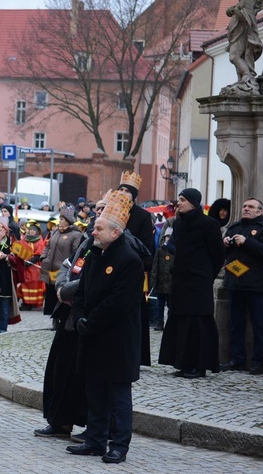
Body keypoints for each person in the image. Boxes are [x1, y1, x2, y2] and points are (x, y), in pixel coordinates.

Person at [68, 190, 143, 463]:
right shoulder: (95, 254)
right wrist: (78, 319)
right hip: (90, 335)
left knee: (118, 396)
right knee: (94, 391)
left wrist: (92, 321)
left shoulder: (129, 260)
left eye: (99, 227)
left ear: (115, 232)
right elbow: (80, 293)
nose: (94, 231)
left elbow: (119, 302)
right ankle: (95, 440)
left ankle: (119, 445)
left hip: (117, 339)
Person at [34, 222, 93, 442]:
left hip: (86, 319)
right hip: (67, 318)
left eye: (102, 209)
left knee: (84, 378)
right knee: (60, 372)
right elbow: (68, 267)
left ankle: (93, 427)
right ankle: (60, 422)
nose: (97, 214)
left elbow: (91, 281)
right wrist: (60, 287)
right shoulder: (88, 242)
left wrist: (66, 290)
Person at [158, 188, 225, 378]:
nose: (179, 203)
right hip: (180, 280)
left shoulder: (208, 223)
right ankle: (184, 362)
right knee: (180, 321)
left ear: (194, 202)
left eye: (183, 200)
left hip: (198, 282)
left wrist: (206, 275)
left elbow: (218, 254)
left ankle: (199, 365)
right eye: (179, 199)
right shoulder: (179, 222)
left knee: (197, 324)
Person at [220, 198, 263, 374]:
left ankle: (257, 362)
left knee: (259, 325)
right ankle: (237, 359)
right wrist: (225, 244)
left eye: (251, 207)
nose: (246, 209)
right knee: (236, 324)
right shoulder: (234, 227)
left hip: (254, 285)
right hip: (235, 283)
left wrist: (247, 242)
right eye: (245, 206)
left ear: (259, 211)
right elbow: (223, 254)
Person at [117, 171, 154, 366]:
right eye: (120, 189)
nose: (123, 193)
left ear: (134, 195)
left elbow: (147, 247)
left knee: (135, 314)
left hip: (133, 269)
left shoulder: (142, 216)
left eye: (127, 190)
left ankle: (136, 356)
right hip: (111, 269)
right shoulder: (111, 210)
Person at [224, 0, 263, 92]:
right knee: (239, 56)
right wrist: (233, 10)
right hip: (239, 31)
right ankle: (241, 79)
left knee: (234, 56)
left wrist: (236, 10)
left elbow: (246, 17)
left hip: (244, 32)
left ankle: (247, 77)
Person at [40, 208, 82, 315]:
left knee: (60, 295)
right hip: (51, 269)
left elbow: (76, 253)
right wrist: (44, 257)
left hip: (62, 271)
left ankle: (58, 320)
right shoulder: (55, 232)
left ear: (68, 221)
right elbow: (47, 246)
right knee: (51, 296)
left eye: (62, 219)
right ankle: (53, 319)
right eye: (60, 218)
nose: (60, 221)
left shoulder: (76, 235)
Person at [149, 227, 174, 331]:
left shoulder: (174, 251)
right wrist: (153, 281)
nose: (168, 239)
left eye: (170, 237)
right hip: (160, 282)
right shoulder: (160, 250)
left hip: (171, 283)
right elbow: (155, 266)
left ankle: (170, 323)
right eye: (167, 236)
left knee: (170, 305)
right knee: (160, 304)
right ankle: (159, 322)